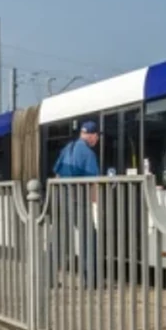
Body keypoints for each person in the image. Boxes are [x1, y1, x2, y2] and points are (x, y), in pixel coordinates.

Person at [51, 121, 100, 287]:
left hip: (61, 198)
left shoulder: (68, 148)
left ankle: (49, 277)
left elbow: (57, 174)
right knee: (89, 237)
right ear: (91, 135)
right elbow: (93, 182)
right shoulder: (88, 153)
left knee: (59, 237)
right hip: (79, 199)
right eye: (96, 136)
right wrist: (96, 202)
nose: (97, 140)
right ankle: (91, 280)